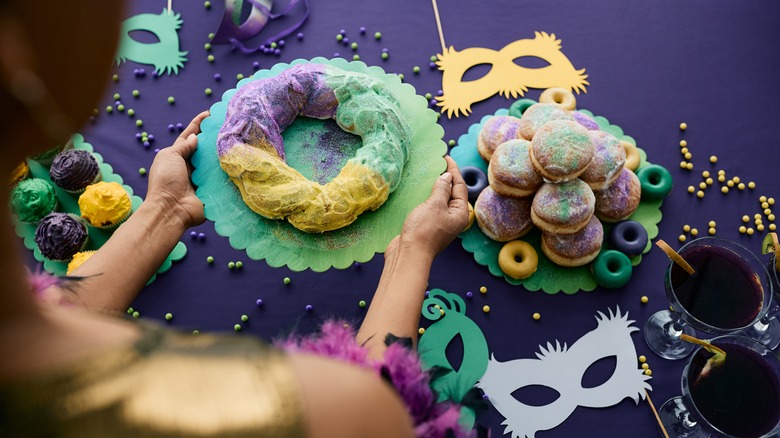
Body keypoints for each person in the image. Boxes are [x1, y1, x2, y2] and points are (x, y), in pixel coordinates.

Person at [0, 1, 470, 436]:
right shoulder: (320, 407)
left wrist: (165, 209)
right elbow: (385, 408)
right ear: (18, 56)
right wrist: (413, 248)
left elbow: (57, 321)